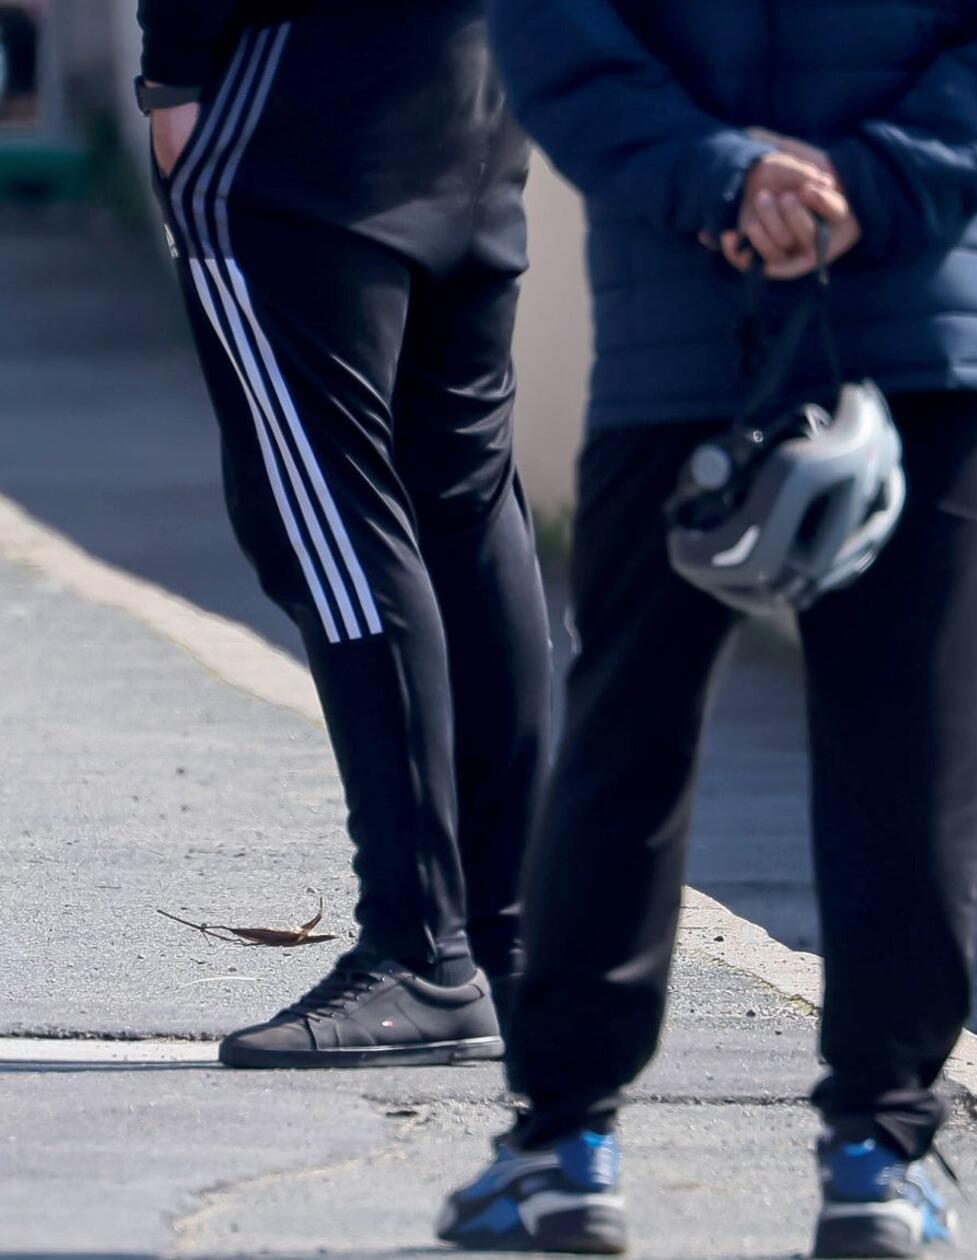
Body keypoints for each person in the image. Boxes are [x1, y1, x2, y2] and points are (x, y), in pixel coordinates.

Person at [435, 1, 977, 1255]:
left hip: (688, 323)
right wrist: (872, 185)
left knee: (624, 746)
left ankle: (565, 1144)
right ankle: (876, 1152)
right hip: (921, 316)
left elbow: (554, 31)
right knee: (910, 752)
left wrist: (726, 177)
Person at [135, 0, 548, 1065]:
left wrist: (173, 70)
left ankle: (419, 952)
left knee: (325, 524)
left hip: (300, 83)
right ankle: (508, 941)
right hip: (483, 80)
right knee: (459, 500)